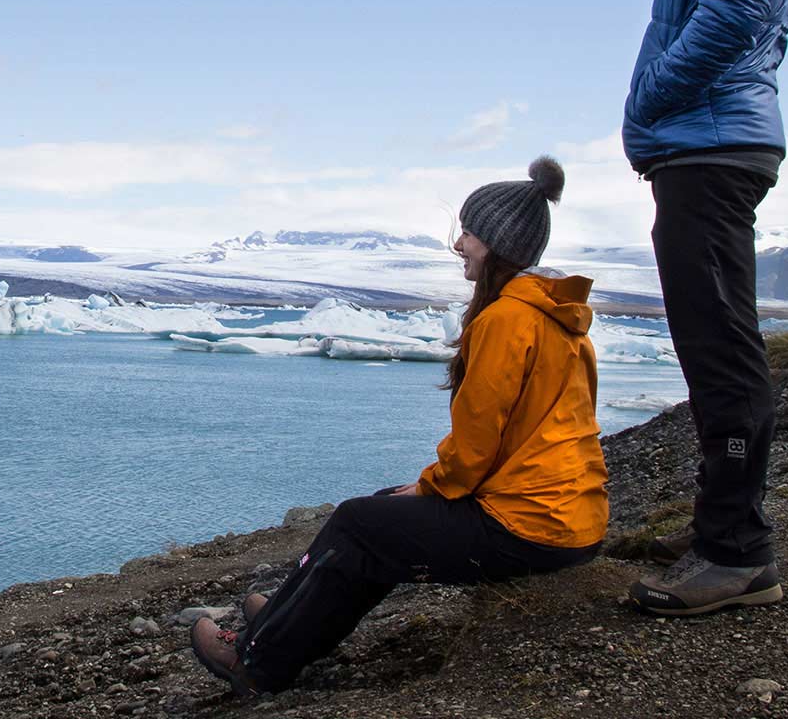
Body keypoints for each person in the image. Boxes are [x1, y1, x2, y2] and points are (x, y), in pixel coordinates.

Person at [188, 157, 608, 697]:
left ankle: (258, 661)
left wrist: (433, 484)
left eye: (470, 233)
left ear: (497, 243)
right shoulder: (563, 323)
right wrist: (427, 489)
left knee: (360, 520)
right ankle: (286, 613)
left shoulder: (508, 319)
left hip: (529, 526)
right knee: (381, 510)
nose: (459, 244)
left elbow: (479, 443)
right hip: (572, 519)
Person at [624, 0, 788, 616]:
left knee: (721, 351)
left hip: (710, 150)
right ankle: (726, 539)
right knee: (714, 344)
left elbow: (735, 9)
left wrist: (652, 97)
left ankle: (736, 553)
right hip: (705, 148)